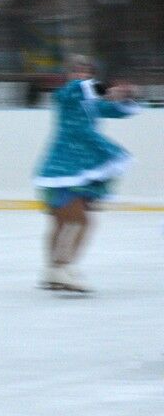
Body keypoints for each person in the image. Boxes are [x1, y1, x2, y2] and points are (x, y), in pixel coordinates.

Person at [33, 54, 140, 292]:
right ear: (68, 75)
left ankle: (53, 270)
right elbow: (77, 90)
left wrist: (123, 95)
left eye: (86, 71)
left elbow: (117, 109)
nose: (81, 75)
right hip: (63, 168)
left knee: (64, 222)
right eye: (77, 71)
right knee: (78, 221)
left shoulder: (90, 101)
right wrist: (101, 88)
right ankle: (63, 267)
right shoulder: (67, 95)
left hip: (80, 167)